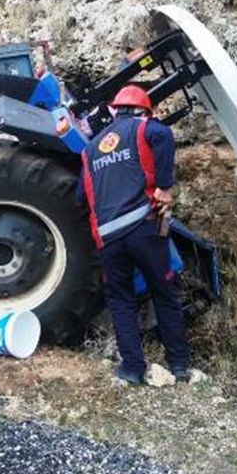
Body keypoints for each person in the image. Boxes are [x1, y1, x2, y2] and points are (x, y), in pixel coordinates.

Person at [79, 85, 191, 385]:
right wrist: (165, 187)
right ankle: (179, 364)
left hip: (108, 239)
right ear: (145, 110)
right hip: (144, 227)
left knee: (121, 301)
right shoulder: (146, 128)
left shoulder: (89, 150)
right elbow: (164, 136)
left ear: (115, 111)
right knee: (164, 293)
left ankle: (132, 369)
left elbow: (82, 195)